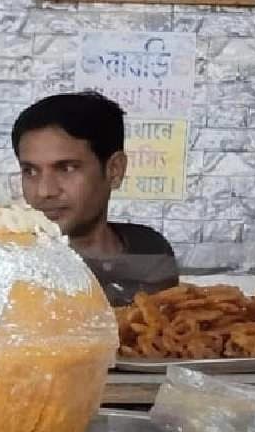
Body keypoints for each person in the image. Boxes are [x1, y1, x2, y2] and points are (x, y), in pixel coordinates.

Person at [12, 92, 179, 306]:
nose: (45, 191)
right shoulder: (11, 262)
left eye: (67, 168)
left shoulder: (151, 251)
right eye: (30, 171)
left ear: (114, 170)